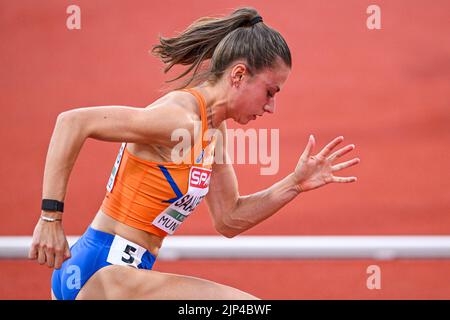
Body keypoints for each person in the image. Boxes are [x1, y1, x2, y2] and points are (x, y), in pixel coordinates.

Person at [28, 7, 360, 300]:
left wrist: (295, 184)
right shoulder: (181, 119)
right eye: (270, 92)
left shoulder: (213, 129)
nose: (271, 106)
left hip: (127, 273)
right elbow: (72, 123)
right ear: (239, 75)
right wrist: (50, 218)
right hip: (104, 273)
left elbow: (229, 219)